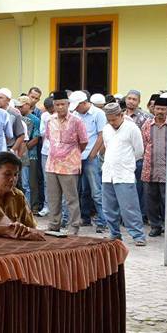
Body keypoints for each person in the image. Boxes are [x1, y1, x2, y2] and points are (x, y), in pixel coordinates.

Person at [42, 90, 89, 235]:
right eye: (57, 105)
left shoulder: (77, 121)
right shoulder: (50, 120)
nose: (60, 107)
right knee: (53, 198)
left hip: (69, 165)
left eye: (63, 104)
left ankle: (73, 226)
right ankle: (53, 224)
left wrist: (71, 154)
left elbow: (84, 142)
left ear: (68, 104)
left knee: (71, 198)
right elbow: (49, 139)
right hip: (52, 164)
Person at [100, 102, 147, 245]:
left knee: (129, 207)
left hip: (124, 174)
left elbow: (139, 151)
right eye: (109, 120)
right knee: (108, 208)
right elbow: (107, 147)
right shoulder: (107, 129)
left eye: (114, 119)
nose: (112, 122)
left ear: (121, 115)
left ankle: (138, 235)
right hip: (108, 173)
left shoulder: (132, 128)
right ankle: (114, 233)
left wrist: (126, 163)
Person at [141, 96, 167, 239]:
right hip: (149, 169)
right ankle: (155, 226)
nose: (160, 111)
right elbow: (144, 144)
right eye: (157, 108)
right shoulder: (146, 125)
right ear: (153, 109)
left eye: (163, 109)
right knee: (151, 201)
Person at [71, 90, 108, 231]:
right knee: (83, 190)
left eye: (77, 106)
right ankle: (85, 217)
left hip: (91, 156)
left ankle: (102, 221)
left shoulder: (98, 114)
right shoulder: (75, 114)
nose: (76, 109)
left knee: (96, 191)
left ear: (84, 103)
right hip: (77, 156)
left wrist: (93, 154)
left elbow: (101, 135)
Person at [0, 151, 37, 228]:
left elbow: (31, 228)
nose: (12, 179)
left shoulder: (18, 196)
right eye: (7, 174)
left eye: (16, 174)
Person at [17, 96, 42, 211]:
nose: (19, 108)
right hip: (19, 153)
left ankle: (34, 206)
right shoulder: (17, 117)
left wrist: (24, 148)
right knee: (21, 182)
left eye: (21, 106)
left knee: (32, 181)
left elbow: (36, 138)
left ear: (28, 105)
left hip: (31, 154)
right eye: (18, 106)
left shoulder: (35, 119)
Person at [0, 88, 27, 155]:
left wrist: (12, 150)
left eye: (1, 98)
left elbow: (21, 136)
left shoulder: (14, 114)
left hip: (7, 149)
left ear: (8, 100)